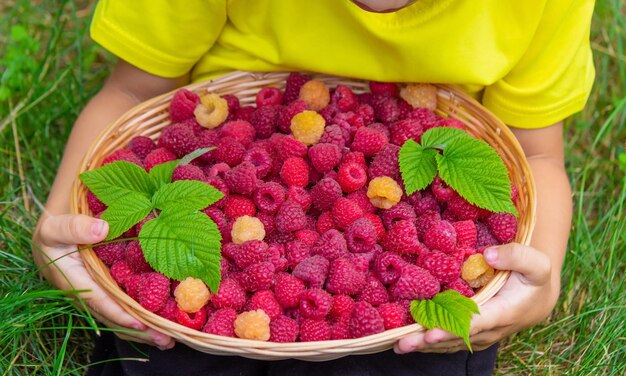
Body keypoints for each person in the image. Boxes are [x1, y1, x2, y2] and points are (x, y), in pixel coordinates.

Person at [31, 0, 595, 374]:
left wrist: (539, 279)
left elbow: (537, 152)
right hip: (229, 157)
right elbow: (132, 94)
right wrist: (62, 222)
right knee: (163, 354)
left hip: (403, 304)